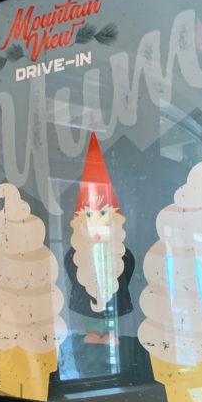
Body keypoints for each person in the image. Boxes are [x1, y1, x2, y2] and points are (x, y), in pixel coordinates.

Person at [64, 133, 135, 347]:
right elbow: (71, 267)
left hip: (114, 307)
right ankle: (94, 332)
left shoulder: (122, 253)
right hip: (85, 308)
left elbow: (128, 267)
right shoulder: (76, 253)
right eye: (89, 215)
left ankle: (109, 333)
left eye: (103, 214)